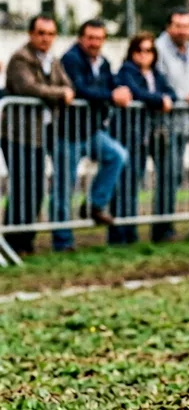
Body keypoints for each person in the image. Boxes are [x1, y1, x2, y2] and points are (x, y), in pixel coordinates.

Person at [56, 19, 131, 250]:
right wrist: (111, 96)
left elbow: (112, 83)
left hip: (91, 130)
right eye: (90, 38)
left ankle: (95, 204)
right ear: (81, 38)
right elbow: (80, 89)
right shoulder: (71, 59)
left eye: (99, 38)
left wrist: (120, 89)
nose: (94, 43)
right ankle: (63, 241)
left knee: (117, 155)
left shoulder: (104, 62)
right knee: (63, 188)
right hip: (66, 132)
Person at [3, 15, 74, 255]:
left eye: (50, 34)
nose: (46, 38)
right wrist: (60, 93)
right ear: (31, 34)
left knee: (34, 189)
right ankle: (14, 241)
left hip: (40, 133)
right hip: (17, 133)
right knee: (23, 188)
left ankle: (26, 240)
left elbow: (68, 85)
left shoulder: (51, 60)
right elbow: (29, 87)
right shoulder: (20, 58)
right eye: (41, 33)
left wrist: (62, 91)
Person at [109, 33, 176, 245]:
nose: (144, 55)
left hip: (154, 134)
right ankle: (123, 235)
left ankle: (162, 229)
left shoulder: (156, 73)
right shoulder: (126, 71)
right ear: (132, 52)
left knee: (166, 179)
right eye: (139, 50)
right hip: (132, 134)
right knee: (128, 185)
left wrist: (165, 98)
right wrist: (160, 100)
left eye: (148, 51)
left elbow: (172, 93)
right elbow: (135, 93)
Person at [154, 7, 189, 242]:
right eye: (178, 25)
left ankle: (165, 223)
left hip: (183, 124)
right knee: (166, 175)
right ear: (168, 27)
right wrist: (186, 97)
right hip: (160, 125)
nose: (182, 31)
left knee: (174, 175)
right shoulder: (157, 49)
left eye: (187, 26)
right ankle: (161, 227)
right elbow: (158, 83)